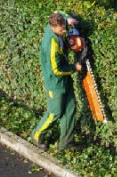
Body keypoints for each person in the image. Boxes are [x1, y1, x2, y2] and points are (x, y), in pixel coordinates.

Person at [31, 11, 82, 151]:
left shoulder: (53, 23)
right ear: (53, 27)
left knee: (70, 110)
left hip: (65, 80)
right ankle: (36, 134)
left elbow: (57, 11)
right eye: (62, 29)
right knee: (56, 113)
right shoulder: (51, 45)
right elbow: (56, 70)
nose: (64, 30)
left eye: (64, 27)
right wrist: (74, 68)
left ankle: (66, 143)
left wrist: (68, 19)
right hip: (55, 83)